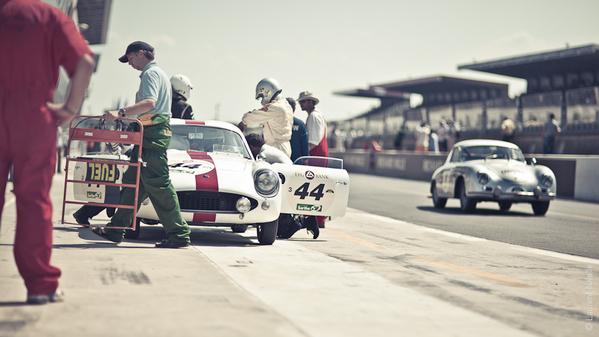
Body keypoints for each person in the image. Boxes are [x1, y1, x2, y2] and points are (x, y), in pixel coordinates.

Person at [0, 0, 95, 304]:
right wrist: (68, 108)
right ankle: (40, 285)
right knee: (33, 201)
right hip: (33, 117)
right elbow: (85, 62)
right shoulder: (49, 16)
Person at [99, 41, 191, 248]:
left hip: (152, 136)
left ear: (141, 54)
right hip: (148, 134)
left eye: (130, 58)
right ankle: (116, 228)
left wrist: (120, 113)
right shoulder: (159, 74)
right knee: (134, 184)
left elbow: (149, 103)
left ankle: (179, 233)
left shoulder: (151, 74)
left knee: (159, 185)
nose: (129, 64)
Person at [245, 134, 319, 239]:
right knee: (279, 229)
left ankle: (303, 222)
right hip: (289, 178)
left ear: (252, 146)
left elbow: (258, 169)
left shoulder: (264, 154)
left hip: (287, 180)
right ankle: (303, 221)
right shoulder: (269, 149)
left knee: (281, 231)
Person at [298, 91, 328, 229]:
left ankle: (317, 219)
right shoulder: (317, 115)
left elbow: (313, 140)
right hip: (320, 153)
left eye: (303, 101)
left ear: (310, 102)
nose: (300, 104)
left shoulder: (313, 117)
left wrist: (304, 155)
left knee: (315, 186)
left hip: (316, 154)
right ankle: (317, 219)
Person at [240, 78, 293, 157]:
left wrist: (243, 122)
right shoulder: (286, 105)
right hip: (284, 147)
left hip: (276, 148)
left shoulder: (275, 107)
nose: (262, 99)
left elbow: (249, 118)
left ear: (267, 92)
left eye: (261, 96)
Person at [286, 97, 309, 163]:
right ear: (294, 109)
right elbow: (304, 145)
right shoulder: (300, 124)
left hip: (281, 161)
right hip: (297, 163)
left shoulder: (277, 123)